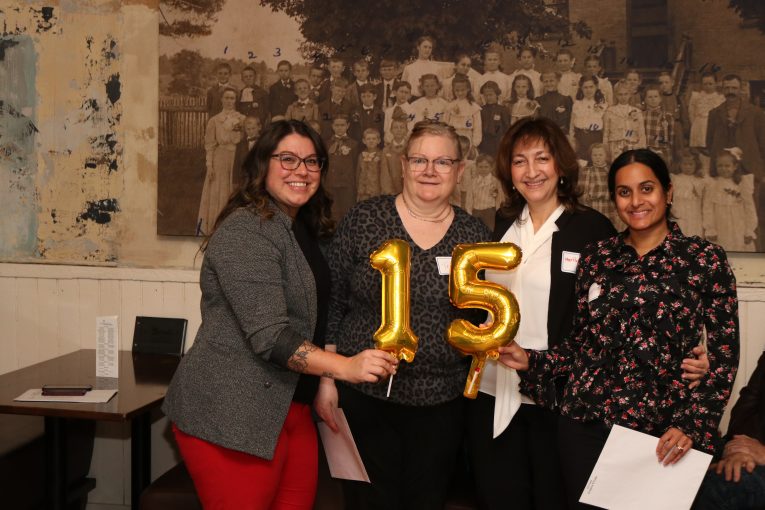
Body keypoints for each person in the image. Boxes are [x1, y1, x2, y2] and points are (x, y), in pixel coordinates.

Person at [163, 120, 396, 509]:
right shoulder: (245, 230)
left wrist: (324, 382)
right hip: (231, 413)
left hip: (292, 405)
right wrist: (345, 367)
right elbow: (271, 336)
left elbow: (317, 316)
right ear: (262, 165)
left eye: (312, 161)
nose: (301, 171)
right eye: (287, 159)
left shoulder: (302, 225)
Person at [500, 148, 739, 509]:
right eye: (624, 192)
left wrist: (692, 425)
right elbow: (581, 345)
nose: (636, 201)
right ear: (615, 199)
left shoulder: (703, 259)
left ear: (668, 192)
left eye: (647, 189)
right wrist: (530, 360)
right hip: (586, 424)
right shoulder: (598, 257)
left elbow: (724, 356)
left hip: (664, 432)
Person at [316, 121, 491, 510]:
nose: (430, 170)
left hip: (441, 405)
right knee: (367, 504)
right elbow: (333, 302)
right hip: (364, 398)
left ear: (460, 171)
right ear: (403, 165)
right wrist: (328, 380)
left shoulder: (473, 233)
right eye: (420, 160)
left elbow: (482, 319)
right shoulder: (365, 220)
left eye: (443, 161)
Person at [465, 117, 616, 510]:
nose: (531, 172)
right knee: (499, 497)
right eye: (519, 161)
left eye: (541, 158)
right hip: (494, 391)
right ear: (508, 171)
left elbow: (607, 323)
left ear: (561, 166)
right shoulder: (500, 226)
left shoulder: (591, 229)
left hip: (558, 400)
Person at [694, 350, 765, 510]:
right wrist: (738, 450)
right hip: (746, 443)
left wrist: (762, 453)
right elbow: (746, 407)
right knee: (681, 458)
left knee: (725, 484)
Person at [197, 87, 245, 236]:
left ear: (235, 100)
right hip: (220, 157)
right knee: (219, 189)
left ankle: (234, 229)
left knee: (234, 189)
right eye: (227, 98)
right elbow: (210, 145)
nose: (229, 101)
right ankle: (215, 226)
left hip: (236, 157)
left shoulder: (242, 119)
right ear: (221, 100)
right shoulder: (214, 120)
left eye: (232, 98)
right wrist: (209, 166)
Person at [703, 148, 757, 252]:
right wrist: (710, 229)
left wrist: (749, 230)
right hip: (720, 226)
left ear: (735, 166)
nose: (723, 169)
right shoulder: (713, 184)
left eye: (727, 166)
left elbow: (750, 207)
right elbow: (707, 208)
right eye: (720, 166)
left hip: (739, 225)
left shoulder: (742, 184)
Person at [603, 80, 646, 160]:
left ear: (630, 95)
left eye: (626, 94)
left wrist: (639, 147)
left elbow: (641, 133)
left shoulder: (637, 111)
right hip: (615, 145)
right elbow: (606, 133)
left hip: (632, 144)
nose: (623, 97)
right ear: (616, 95)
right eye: (620, 94)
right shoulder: (610, 111)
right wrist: (606, 149)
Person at [570, 75, 606, 162]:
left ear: (596, 87)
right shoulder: (577, 104)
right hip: (580, 137)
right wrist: (572, 139)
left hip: (596, 136)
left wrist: (604, 142)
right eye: (585, 87)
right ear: (581, 88)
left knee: (595, 161)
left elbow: (605, 125)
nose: (588, 90)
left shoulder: (602, 104)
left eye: (591, 87)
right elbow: (572, 123)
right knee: (581, 162)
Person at [672, 148, 706, 238]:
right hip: (679, 212)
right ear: (680, 165)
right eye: (685, 164)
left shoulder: (700, 181)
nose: (688, 167)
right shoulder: (675, 179)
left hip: (694, 213)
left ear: (696, 165)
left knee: (694, 232)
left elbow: (702, 199)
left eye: (691, 164)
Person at [444, 74, 482, 148]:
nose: (460, 93)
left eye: (463, 90)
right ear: (453, 90)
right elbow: (445, 124)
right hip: (453, 137)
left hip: (468, 138)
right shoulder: (449, 106)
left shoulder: (474, 107)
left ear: (468, 89)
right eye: (457, 90)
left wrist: (475, 144)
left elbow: (478, 127)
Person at [478, 80, 511, 158]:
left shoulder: (503, 110)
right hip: (484, 143)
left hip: (498, 142)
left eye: (491, 95)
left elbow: (507, 127)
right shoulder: (481, 110)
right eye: (486, 95)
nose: (488, 97)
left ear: (497, 95)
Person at [356, 128, 384, 201]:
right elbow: (358, 173)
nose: (371, 141)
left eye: (374, 139)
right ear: (364, 141)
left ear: (379, 141)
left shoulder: (382, 155)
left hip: (376, 192)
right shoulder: (361, 155)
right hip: (362, 192)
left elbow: (384, 175)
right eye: (368, 139)